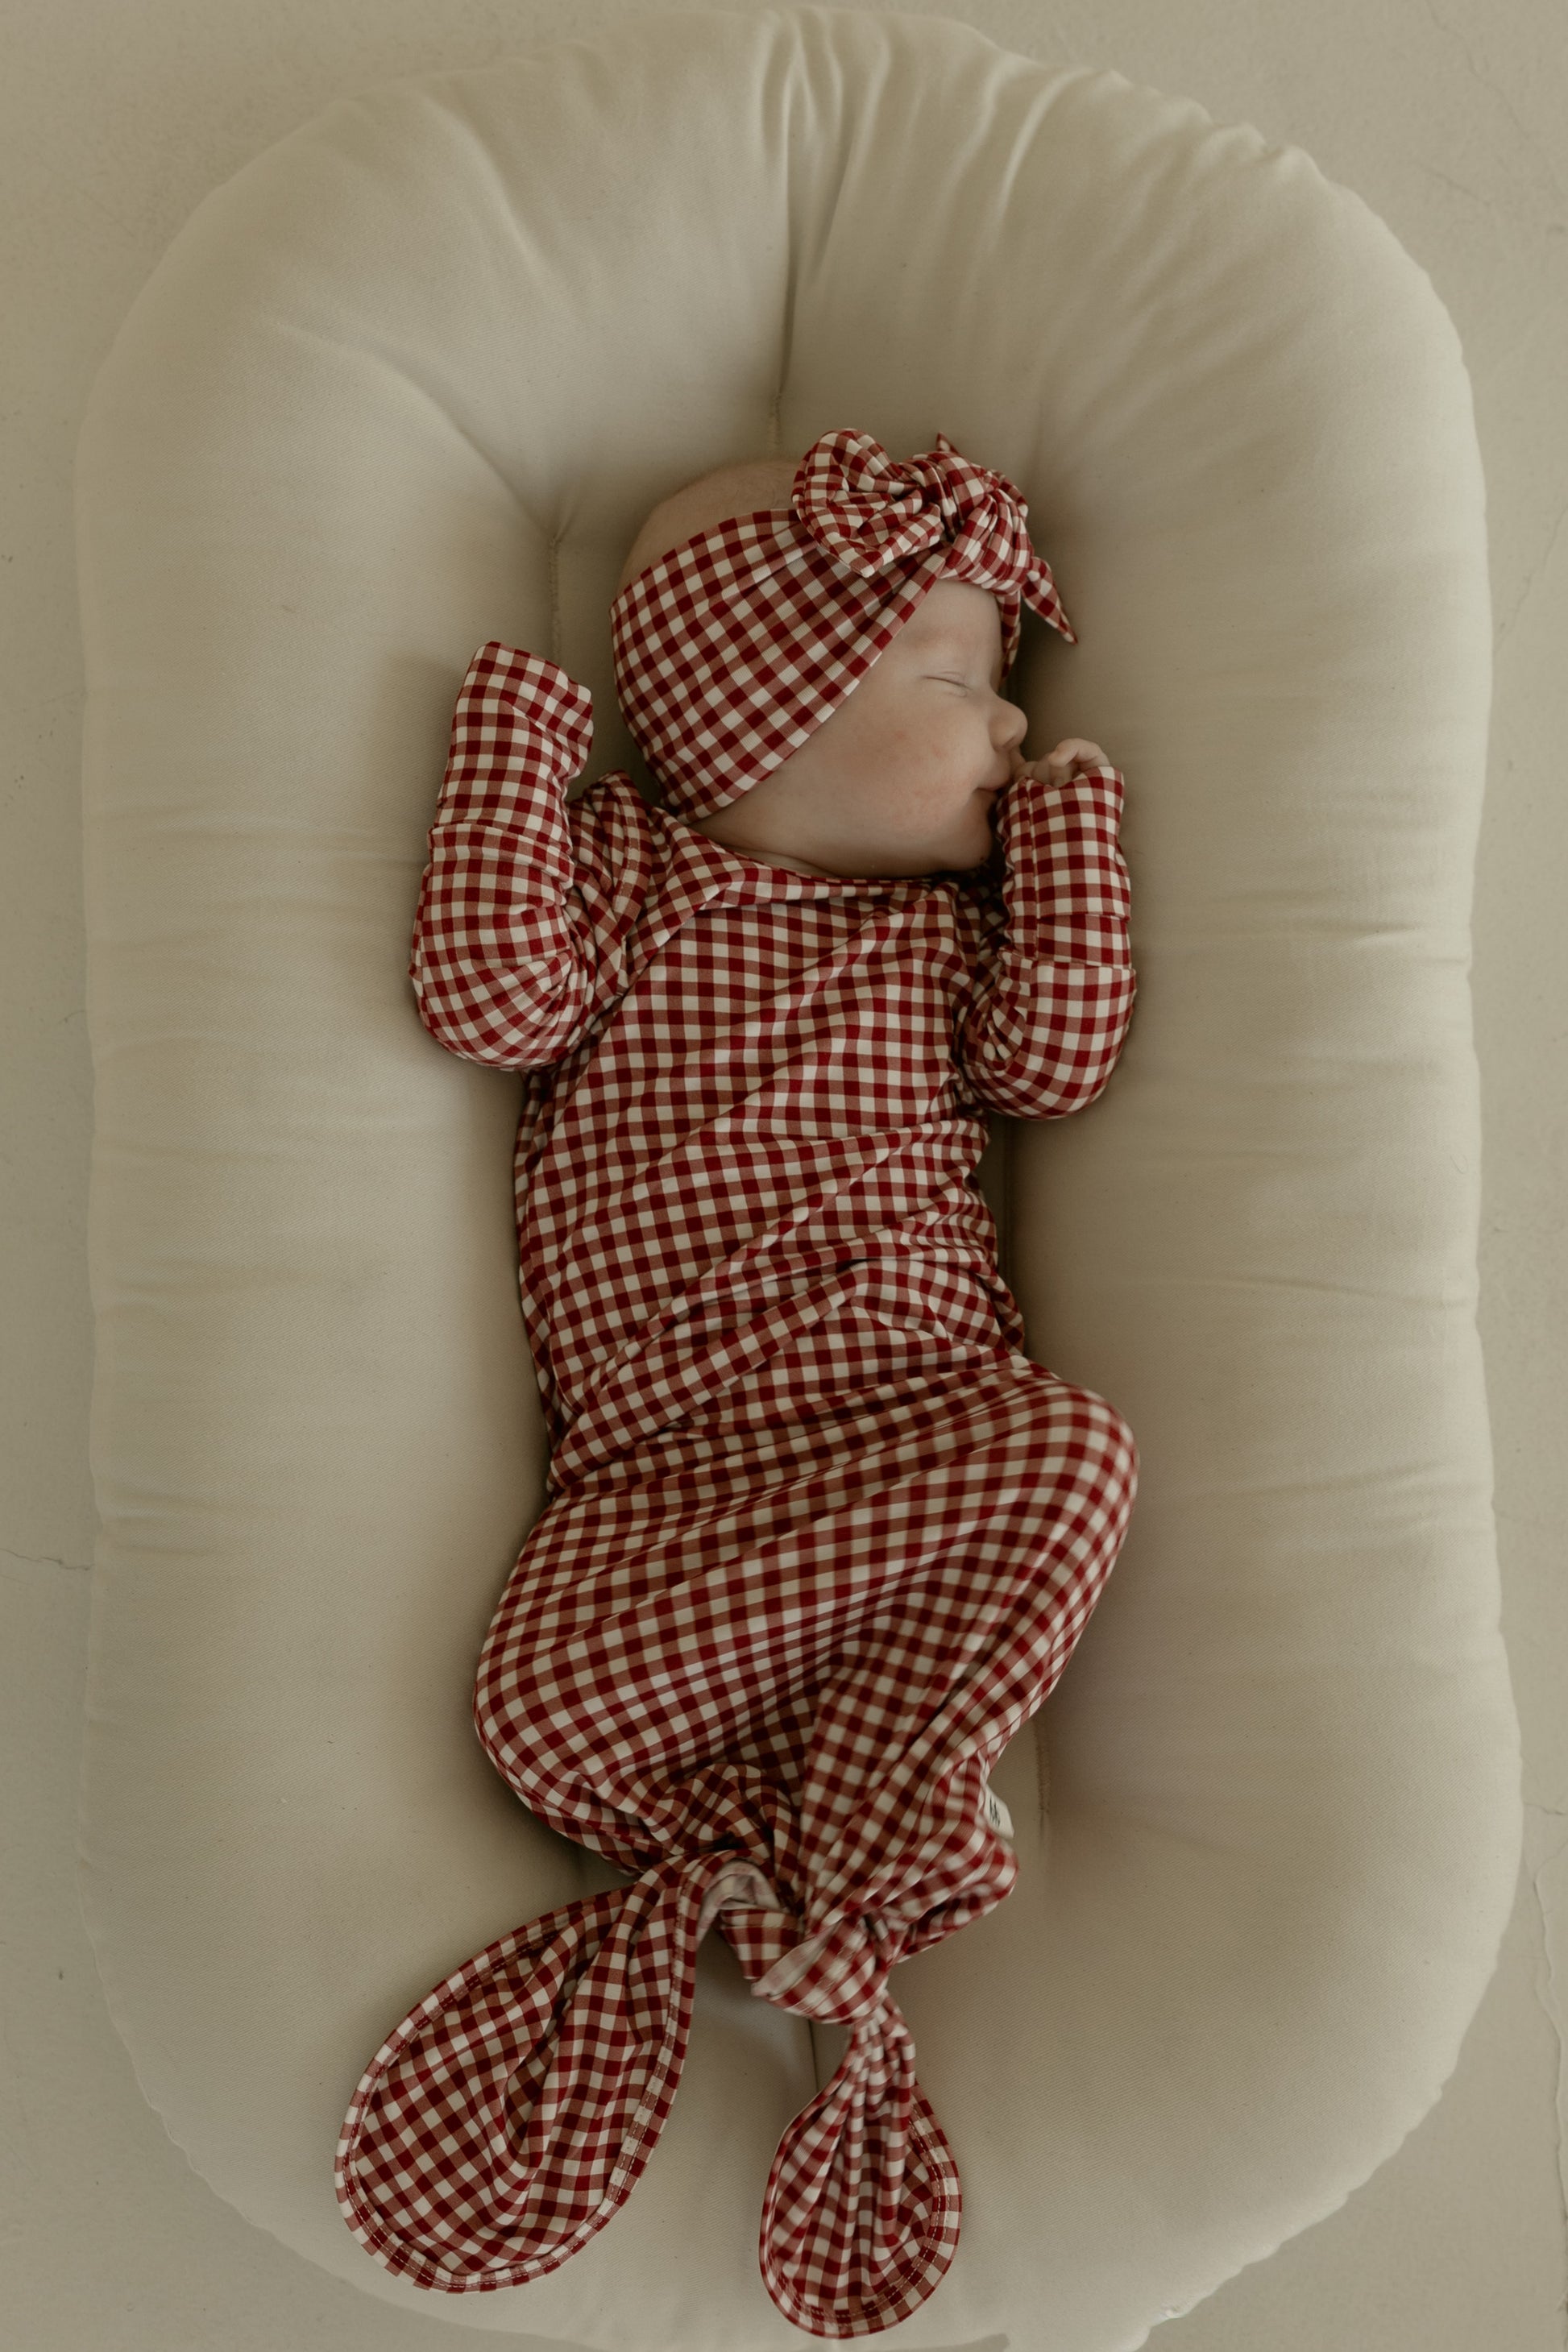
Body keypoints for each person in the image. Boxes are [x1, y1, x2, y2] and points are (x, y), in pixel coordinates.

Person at [336, 427, 1140, 2339]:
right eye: (962, 682)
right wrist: (521, 744)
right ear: (757, 701)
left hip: (906, 1456)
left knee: (1070, 1452)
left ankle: (818, 1885)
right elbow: (486, 997)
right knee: (533, 1707)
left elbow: (1058, 1061)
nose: (1012, 734)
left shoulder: (941, 943)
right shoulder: (626, 873)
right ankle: (787, 1866)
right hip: (653, 1537)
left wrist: (1077, 836)